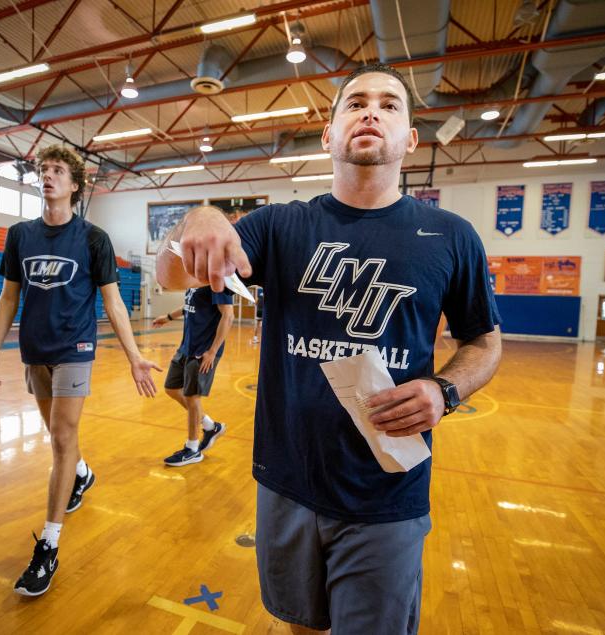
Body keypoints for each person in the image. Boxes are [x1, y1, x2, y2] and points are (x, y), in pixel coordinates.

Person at [157, 62, 502, 634]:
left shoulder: (451, 236)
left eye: (389, 105)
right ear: (328, 133)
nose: (371, 111)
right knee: (301, 627)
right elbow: (173, 275)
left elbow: (484, 343)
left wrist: (446, 390)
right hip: (287, 480)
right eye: (355, 102)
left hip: (387, 488)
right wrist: (196, 219)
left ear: (410, 140)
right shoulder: (280, 226)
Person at [0, 144, 160, 598]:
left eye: (58, 170)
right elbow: (8, 297)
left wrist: (134, 354)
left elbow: (114, 301)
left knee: (61, 437)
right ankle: (81, 472)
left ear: (75, 184)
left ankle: (50, 546)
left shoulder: (94, 238)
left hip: (76, 348)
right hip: (33, 349)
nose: (48, 176)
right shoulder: (20, 234)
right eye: (43, 170)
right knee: (57, 437)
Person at [152, 284, 234, 466]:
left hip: (203, 351)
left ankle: (192, 449)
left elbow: (228, 316)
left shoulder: (216, 280)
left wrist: (212, 351)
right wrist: (168, 317)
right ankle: (210, 426)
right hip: (186, 346)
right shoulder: (194, 280)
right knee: (171, 388)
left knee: (192, 397)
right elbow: (191, 305)